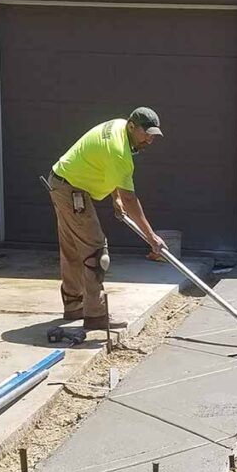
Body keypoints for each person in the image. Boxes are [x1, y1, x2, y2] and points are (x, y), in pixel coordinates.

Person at [46, 107, 166, 330]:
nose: (149, 139)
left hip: (62, 183)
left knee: (72, 248)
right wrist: (151, 237)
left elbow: (105, 165)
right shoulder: (120, 151)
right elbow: (131, 199)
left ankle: (73, 304)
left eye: (153, 135)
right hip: (72, 190)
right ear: (132, 126)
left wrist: (115, 197)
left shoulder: (119, 126)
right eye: (146, 133)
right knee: (97, 251)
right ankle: (96, 315)